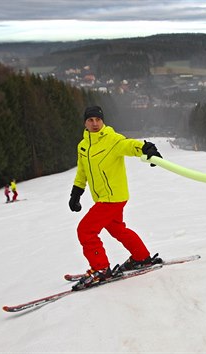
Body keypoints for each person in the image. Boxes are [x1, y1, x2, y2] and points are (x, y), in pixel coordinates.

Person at [68, 105, 164, 290]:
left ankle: (100, 269)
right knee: (117, 229)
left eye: (98, 120)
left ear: (103, 121)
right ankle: (141, 257)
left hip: (112, 197)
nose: (95, 124)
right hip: (103, 198)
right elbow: (82, 172)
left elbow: (128, 145)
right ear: (85, 123)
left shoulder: (112, 139)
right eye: (91, 120)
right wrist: (76, 193)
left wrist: (145, 147)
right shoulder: (83, 146)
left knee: (86, 230)